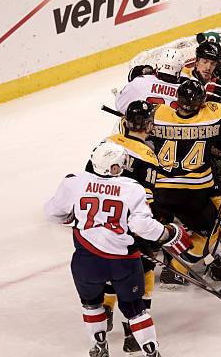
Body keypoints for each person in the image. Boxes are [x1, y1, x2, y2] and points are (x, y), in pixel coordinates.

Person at [45, 139, 192, 357]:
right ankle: (151, 352)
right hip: (123, 263)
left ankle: (99, 347)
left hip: (86, 262)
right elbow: (142, 227)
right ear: (114, 167)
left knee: (91, 304)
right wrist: (169, 233)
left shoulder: (74, 182)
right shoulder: (132, 189)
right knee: (135, 310)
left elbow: (52, 213)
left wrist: (74, 217)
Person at [150, 78, 221, 284]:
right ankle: (176, 269)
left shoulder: (159, 113)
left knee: (158, 231)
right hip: (193, 193)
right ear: (201, 102)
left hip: (160, 191)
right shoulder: (211, 116)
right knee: (209, 233)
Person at [88, 101, 161, 353]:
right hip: (130, 225)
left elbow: (89, 180)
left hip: (97, 224)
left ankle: (106, 309)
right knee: (145, 269)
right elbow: (148, 201)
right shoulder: (148, 155)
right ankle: (133, 333)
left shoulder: (105, 143)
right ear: (148, 124)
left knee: (110, 269)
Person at [115, 48, 185, 117]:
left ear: (158, 66)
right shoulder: (185, 91)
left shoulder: (140, 82)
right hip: (172, 127)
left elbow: (120, 106)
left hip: (146, 126)